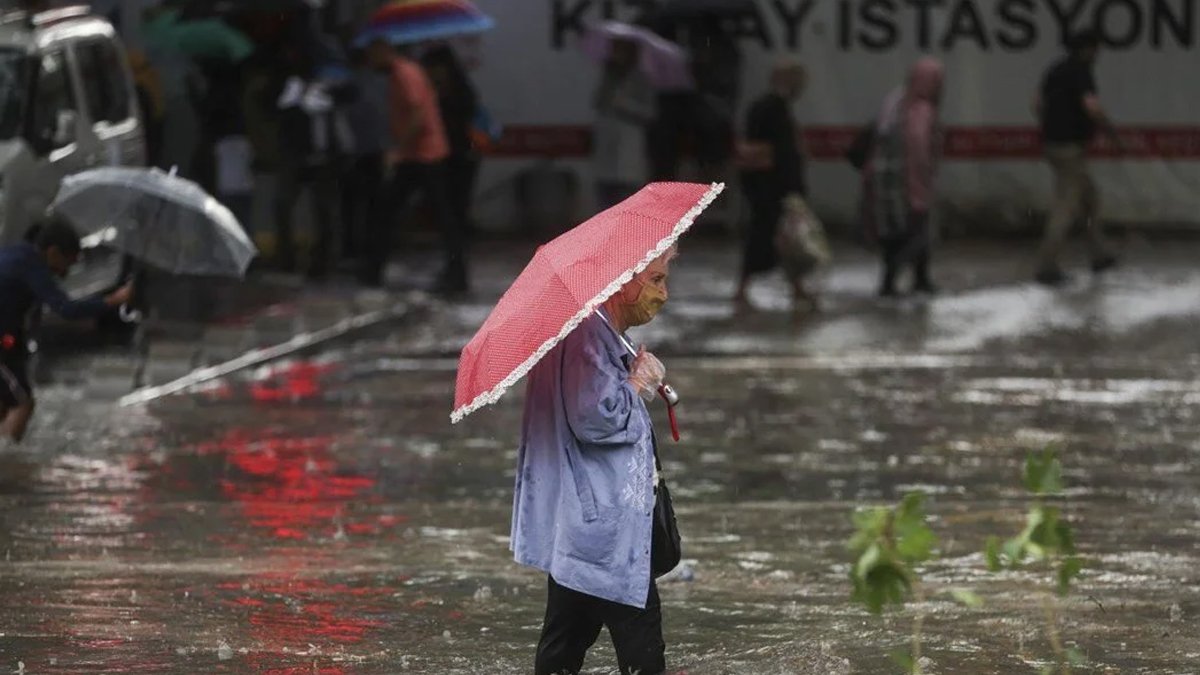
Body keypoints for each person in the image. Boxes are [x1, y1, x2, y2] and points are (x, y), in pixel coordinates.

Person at [515, 252, 676, 675]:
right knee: (640, 646)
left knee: (563, 645)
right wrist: (638, 382)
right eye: (656, 278)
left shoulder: (598, 331)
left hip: (587, 526)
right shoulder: (586, 335)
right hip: (607, 525)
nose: (664, 292)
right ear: (624, 281)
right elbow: (594, 418)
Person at [0, 217, 133, 442]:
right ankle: (9, 462)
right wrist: (114, 299)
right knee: (22, 404)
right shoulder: (32, 266)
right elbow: (66, 309)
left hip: (8, 339)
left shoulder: (20, 254)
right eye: (67, 264)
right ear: (53, 252)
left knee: (5, 404)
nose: (65, 274)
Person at [363, 39, 467, 294]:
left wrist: (399, 148)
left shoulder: (404, 73)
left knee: (397, 213)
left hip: (423, 155)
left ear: (383, 50)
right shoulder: (403, 72)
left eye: (371, 53)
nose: (369, 60)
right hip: (419, 154)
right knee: (436, 217)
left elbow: (418, 115)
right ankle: (372, 270)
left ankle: (455, 276)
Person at [1033, 30, 1119, 286]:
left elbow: (1036, 103)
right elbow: (1092, 108)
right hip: (1070, 148)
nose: (1098, 55)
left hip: (1054, 144)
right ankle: (1047, 267)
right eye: (1096, 49)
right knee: (1066, 206)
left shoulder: (1055, 69)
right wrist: (1112, 132)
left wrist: (1051, 124)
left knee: (1089, 199)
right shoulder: (1081, 72)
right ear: (1087, 49)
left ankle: (1099, 254)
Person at [862, 57, 945, 298]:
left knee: (894, 233)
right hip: (909, 182)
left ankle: (918, 279)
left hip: (883, 179)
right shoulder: (923, 109)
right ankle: (894, 281)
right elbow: (920, 148)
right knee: (916, 232)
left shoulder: (895, 99)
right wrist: (927, 176)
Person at [271, 49, 353, 279]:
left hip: (325, 158)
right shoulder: (291, 91)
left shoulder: (329, 92)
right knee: (285, 206)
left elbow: (347, 100)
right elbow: (280, 115)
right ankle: (287, 258)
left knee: (325, 211)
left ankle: (324, 262)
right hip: (297, 156)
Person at [735, 59, 808, 310]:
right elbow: (768, 151)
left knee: (783, 238)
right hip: (770, 187)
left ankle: (796, 287)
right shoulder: (772, 109)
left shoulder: (772, 107)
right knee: (770, 236)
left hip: (769, 186)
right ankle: (745, 287)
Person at [421, 45, 482, 238]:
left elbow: (463, 117)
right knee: (446, 209)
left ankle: (457, 261)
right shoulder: (432, 89)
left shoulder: (459, 90)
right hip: (443, 155)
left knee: (455, 209)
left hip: (460, 154)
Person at [341, 47, 392, 266]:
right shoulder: (382, 83)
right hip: (376, 150)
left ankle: (352, 249)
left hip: (353, 152)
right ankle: (370, 248)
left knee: (351, 205)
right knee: (373, 204)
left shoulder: (347, 85)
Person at [592, 37, 654, 209]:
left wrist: (624, 104)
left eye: (620, 50)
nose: (615, 54)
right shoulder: (607, 75)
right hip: (607, 139)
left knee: (627, 194)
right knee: (605, 195)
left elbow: (649, 112)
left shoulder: (641, 78)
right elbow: (597, 102)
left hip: (629, 140)